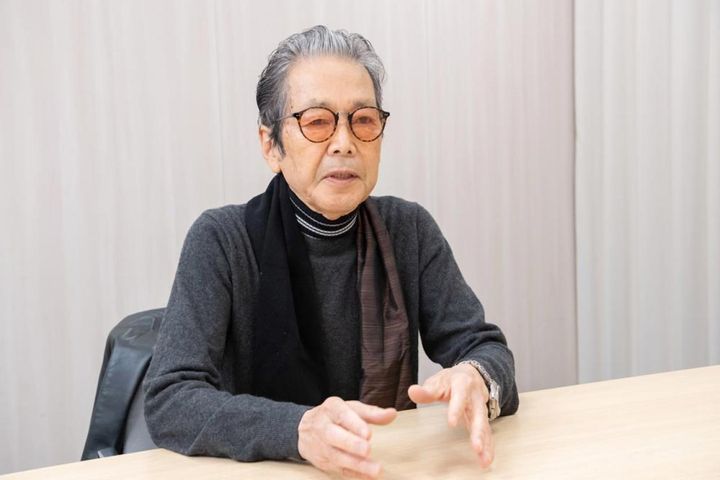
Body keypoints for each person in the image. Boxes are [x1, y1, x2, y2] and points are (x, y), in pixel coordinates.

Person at [144, 25, 519, 479]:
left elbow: (484, 348)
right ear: (271, 145)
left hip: (382, 468)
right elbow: (171, 400)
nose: (344, 142)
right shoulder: (222, 240)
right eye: (318, 122)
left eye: (363, 120)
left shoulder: (408, 230)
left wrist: (477, 377)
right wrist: (297, 429)